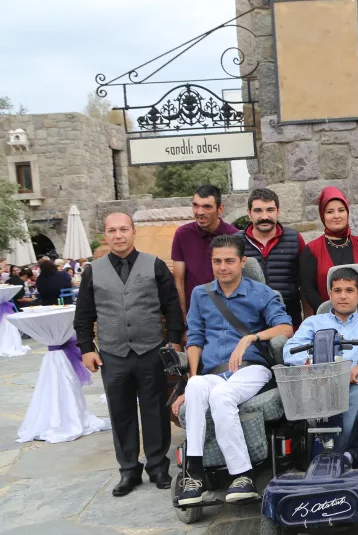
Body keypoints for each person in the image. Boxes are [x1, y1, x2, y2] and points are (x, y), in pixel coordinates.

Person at [170, 235, 293, 505]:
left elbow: (286, 328)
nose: (223, 267)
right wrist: (191, 382)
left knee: (221, 395)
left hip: (251, 369)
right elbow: (195, 340)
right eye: (217, 261)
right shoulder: (201, 294)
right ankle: (194, 474)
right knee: (196, 386)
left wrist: (252, 337)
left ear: (242, 261)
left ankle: (242, 475)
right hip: (214, 372)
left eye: (229, 261)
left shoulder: (262, 293)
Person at [74, 213, 184, 496]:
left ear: (133, 232)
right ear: (106, 235)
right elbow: (83, 314)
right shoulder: (93, 271)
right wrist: (86, 349)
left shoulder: (154, 265)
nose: (118, 235)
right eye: (112, 231)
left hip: (150, 350)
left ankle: (158, 466)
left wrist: (173, 340)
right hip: (113, 353)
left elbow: (171, 305)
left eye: (123, 229)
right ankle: (129, 470)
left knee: (155, 409)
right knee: (120, 412)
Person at [283, 266, 358, 464]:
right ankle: (349, 455)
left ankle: (330, 460)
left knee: (356, 398)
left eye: (349, 290)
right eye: (337, 291)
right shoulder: (314, 322)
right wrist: (317, 368)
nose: (343, 296)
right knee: (325, 401)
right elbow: (290, 350)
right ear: (330, 294)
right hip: (324, 382)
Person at [301, 186, 358, 311]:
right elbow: (308, 289)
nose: (336, 216)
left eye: (341, 210)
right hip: (327, 316)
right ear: (322, 215)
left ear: (347, 212)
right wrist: (331, 314)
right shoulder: (312, 250)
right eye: (330, 212)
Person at [239, 187, 307, 325]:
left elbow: (305, 284)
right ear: (249, 213)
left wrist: (307, 321)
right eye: (258, 210)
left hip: (289, 320)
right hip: (247, 322)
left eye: (270, 210)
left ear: (278, 211)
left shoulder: (294, 239)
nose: (264, 216)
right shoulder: (235, 242)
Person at [171, 185, 239, 318]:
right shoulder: (182, 234)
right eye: (195, 206)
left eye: (207, 207)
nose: (199, 212)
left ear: (220, 209)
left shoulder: (234, 236)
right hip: (195, 314)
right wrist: (184, 318)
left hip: (227, 314)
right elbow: (179, 281)